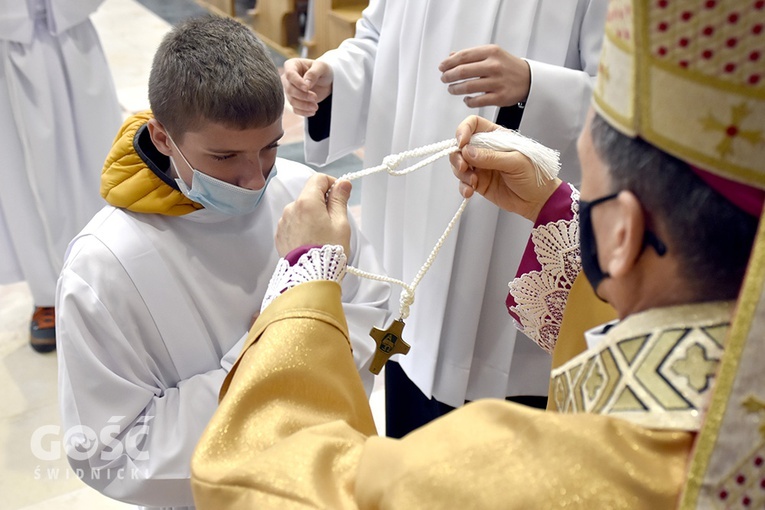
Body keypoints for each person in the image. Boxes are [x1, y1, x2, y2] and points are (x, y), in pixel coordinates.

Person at [190, 0, 765, 507]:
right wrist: (552, 208)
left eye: (582, 180)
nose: (573, 197)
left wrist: (306, 275)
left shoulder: (515, 471)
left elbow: (256, 477)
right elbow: (377, 40)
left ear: (622, 230)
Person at [55, 15, 389, 510]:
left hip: (324, 475)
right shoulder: (104, 266)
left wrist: (302, 326)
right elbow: (110, 451)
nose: (255, 179)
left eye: (271, 146)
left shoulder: (301, 195)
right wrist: (270, 353)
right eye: (225, 156)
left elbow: (372, 306)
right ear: (164, 138)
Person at [281, 0, 609, 436]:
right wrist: (333, 78)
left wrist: (534, 83)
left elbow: (631, 101)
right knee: (409, 403)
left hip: (508, 221)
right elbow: (379, 41)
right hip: (411, 228)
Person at [0, 0, 122, 352]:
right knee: (17, 175)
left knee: (95, 154)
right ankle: (46, 293)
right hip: (6, 40)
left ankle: (112, 277)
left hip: (69, 31)